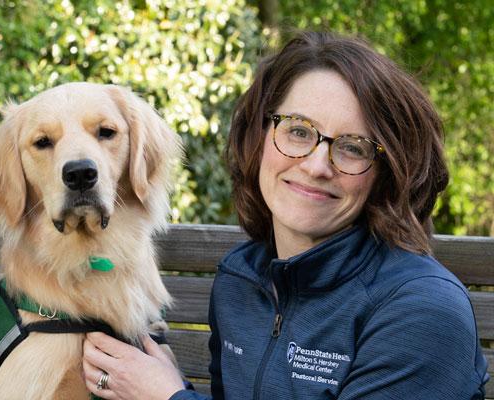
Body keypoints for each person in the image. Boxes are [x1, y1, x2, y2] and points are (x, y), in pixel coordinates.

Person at [82, 31, 490, 399]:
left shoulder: (422, 310)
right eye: (297, 130)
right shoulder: (240, 281)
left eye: (353, 147)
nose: (316, 165)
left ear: (387, 173)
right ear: (259, 138)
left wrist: (167, 398)